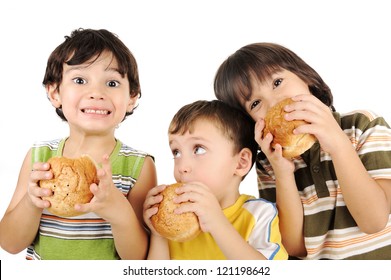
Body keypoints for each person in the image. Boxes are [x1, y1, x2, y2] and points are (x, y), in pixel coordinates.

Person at [213, 42, 391, 259]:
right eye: (255, 103)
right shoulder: (269, 163)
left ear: (305, 77)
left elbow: (374, 221)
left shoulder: (362, 125)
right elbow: (294, 248)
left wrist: (338, 144)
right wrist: (283, 173)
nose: (274, 102)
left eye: (277, 82)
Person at [0, 28, 157, 260]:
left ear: (132, 97)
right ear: (55, 93)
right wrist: (31, 202)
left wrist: (118, 211)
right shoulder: (39, 157)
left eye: (112, 83)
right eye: (80, 80)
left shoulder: (138, 166)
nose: (96, 93)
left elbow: (139, 260)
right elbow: (9, 243)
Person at [143, 100, 288, 260]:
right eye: (176, 152)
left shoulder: (258, 214)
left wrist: (216, 221)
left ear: (241, 162)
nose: (182, 166)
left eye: (198, 149)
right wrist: (159, 235)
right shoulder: (177, 222)